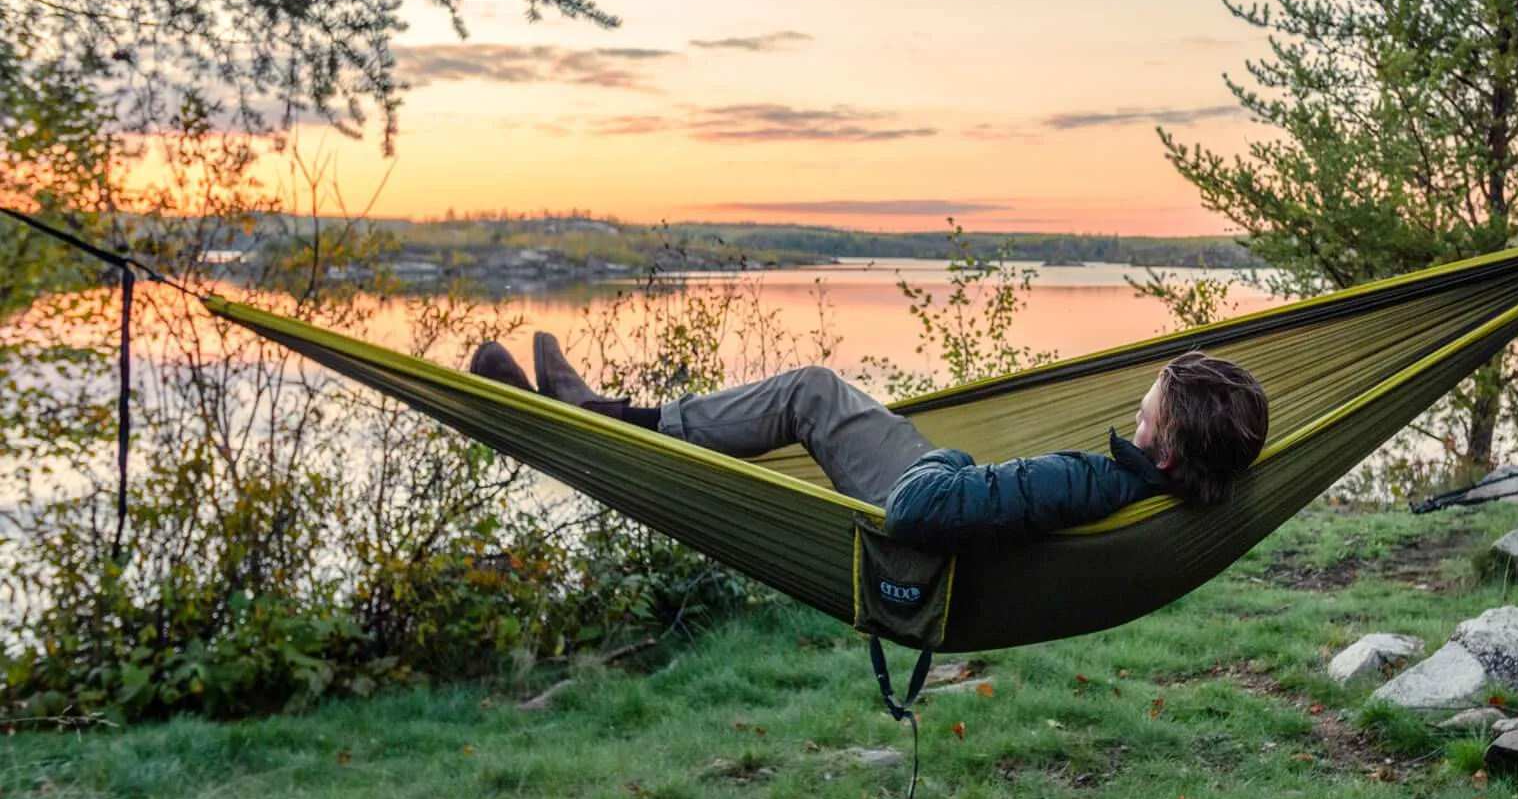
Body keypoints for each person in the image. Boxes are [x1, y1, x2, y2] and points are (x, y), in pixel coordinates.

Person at [470, 334, 1269, 553]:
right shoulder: (1163, 486)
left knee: (809, 392)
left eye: (1146, 413)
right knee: (818, 392)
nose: (1135, 412)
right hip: (957, 509)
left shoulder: (1086, 481)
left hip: (918, 505)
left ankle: (609, 417)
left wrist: (950, 457)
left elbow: (920, 509)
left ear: (1166, 451)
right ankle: (599, 411)